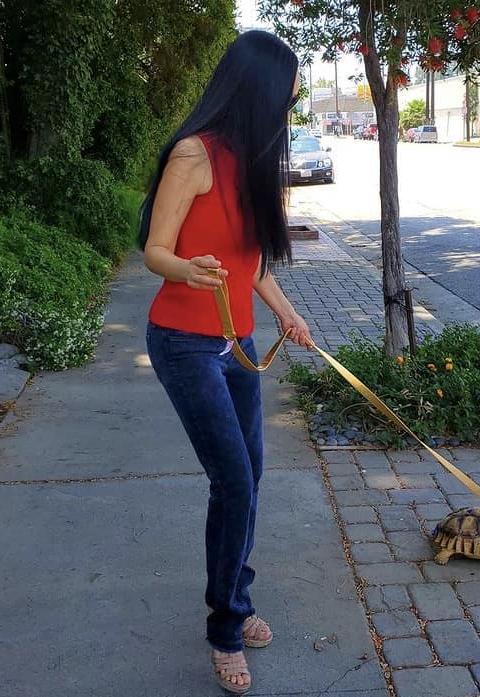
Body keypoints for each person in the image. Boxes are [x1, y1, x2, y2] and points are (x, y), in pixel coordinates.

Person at [138, 30, 313, 694]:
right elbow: (155, 250)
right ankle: (224, 626)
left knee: (252, 473)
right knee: (234, 480)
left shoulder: (256, 158)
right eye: (288, 88)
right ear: (258, 88)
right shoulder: (194, 154)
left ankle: (235, 593)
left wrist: (284, 311)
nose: (291, 100)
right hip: (184, 343)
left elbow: (253, 259)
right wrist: (187, 266)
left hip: (237, 345)